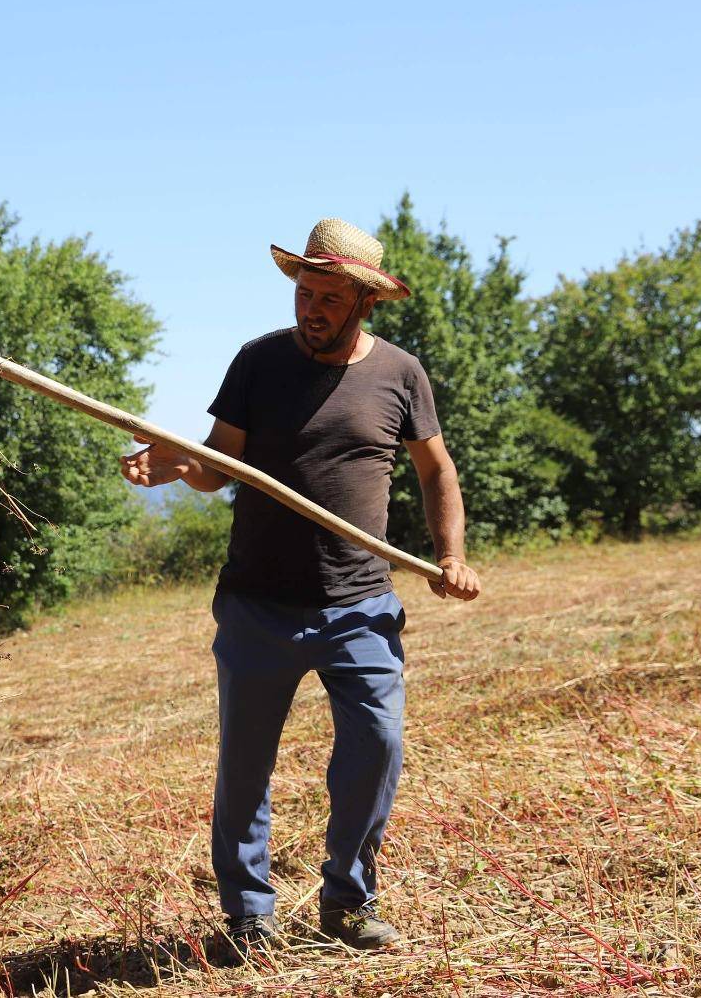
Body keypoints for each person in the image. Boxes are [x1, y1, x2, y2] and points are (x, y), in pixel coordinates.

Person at [119, 217, 481, 955]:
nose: (311, 308)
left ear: (364, 304)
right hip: (258, 604)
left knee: (377, 746)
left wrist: (452, 554)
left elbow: (436, 470)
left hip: (361, 606)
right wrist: (177, 465)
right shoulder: (257, 363)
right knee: (245, 767)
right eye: (304, 292)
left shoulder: (399, 375)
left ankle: (348, 902)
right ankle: (249, 912)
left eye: (328, 298)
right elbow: (219, 466)